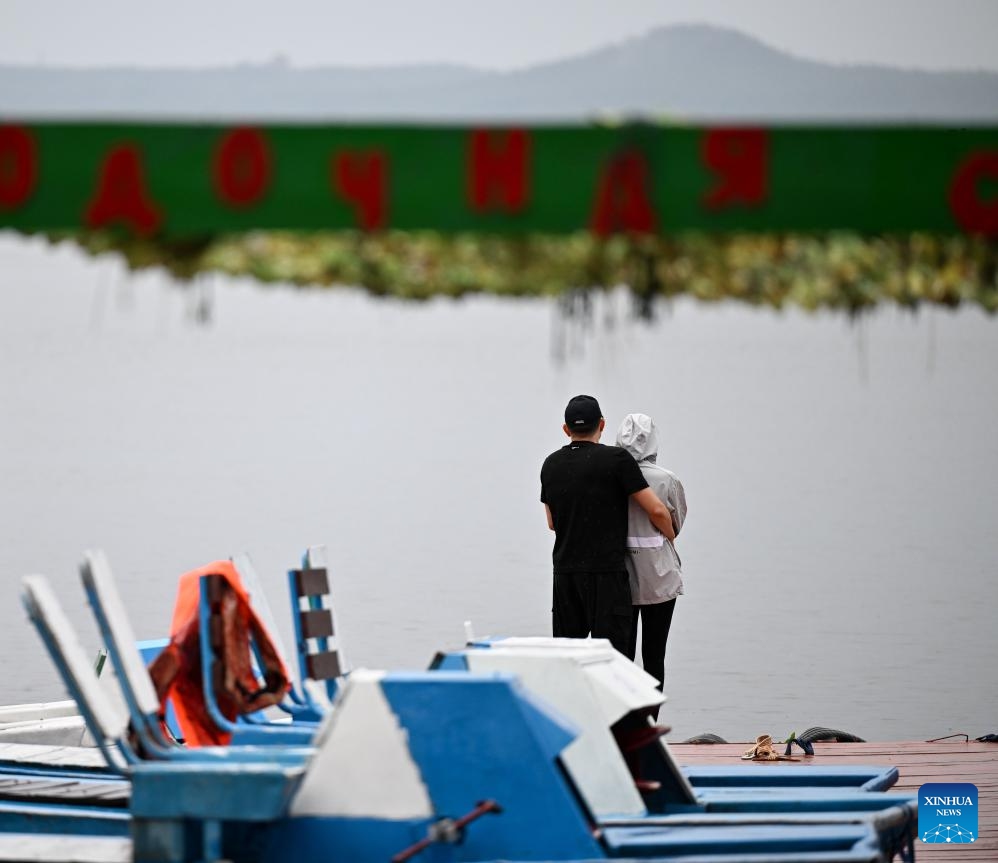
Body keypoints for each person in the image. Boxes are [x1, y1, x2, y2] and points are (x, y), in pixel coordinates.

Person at [540, 395, 675, 656]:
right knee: (614, 662)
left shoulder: (550, 464)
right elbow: (657, 509)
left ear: (566, 430)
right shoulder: (617, 460)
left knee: (570, 658)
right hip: (608, 577)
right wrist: (670, 535)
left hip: (566, 577)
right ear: (601, 424)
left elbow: (552, 522)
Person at [616, 412, 687, 691]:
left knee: (623, 656)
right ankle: (651, 724)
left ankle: (625, 724)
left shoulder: (610, 474)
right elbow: (675, 522)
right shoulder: (666, 479)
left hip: (621, 577)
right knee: (655, 656)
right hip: (660, 576)